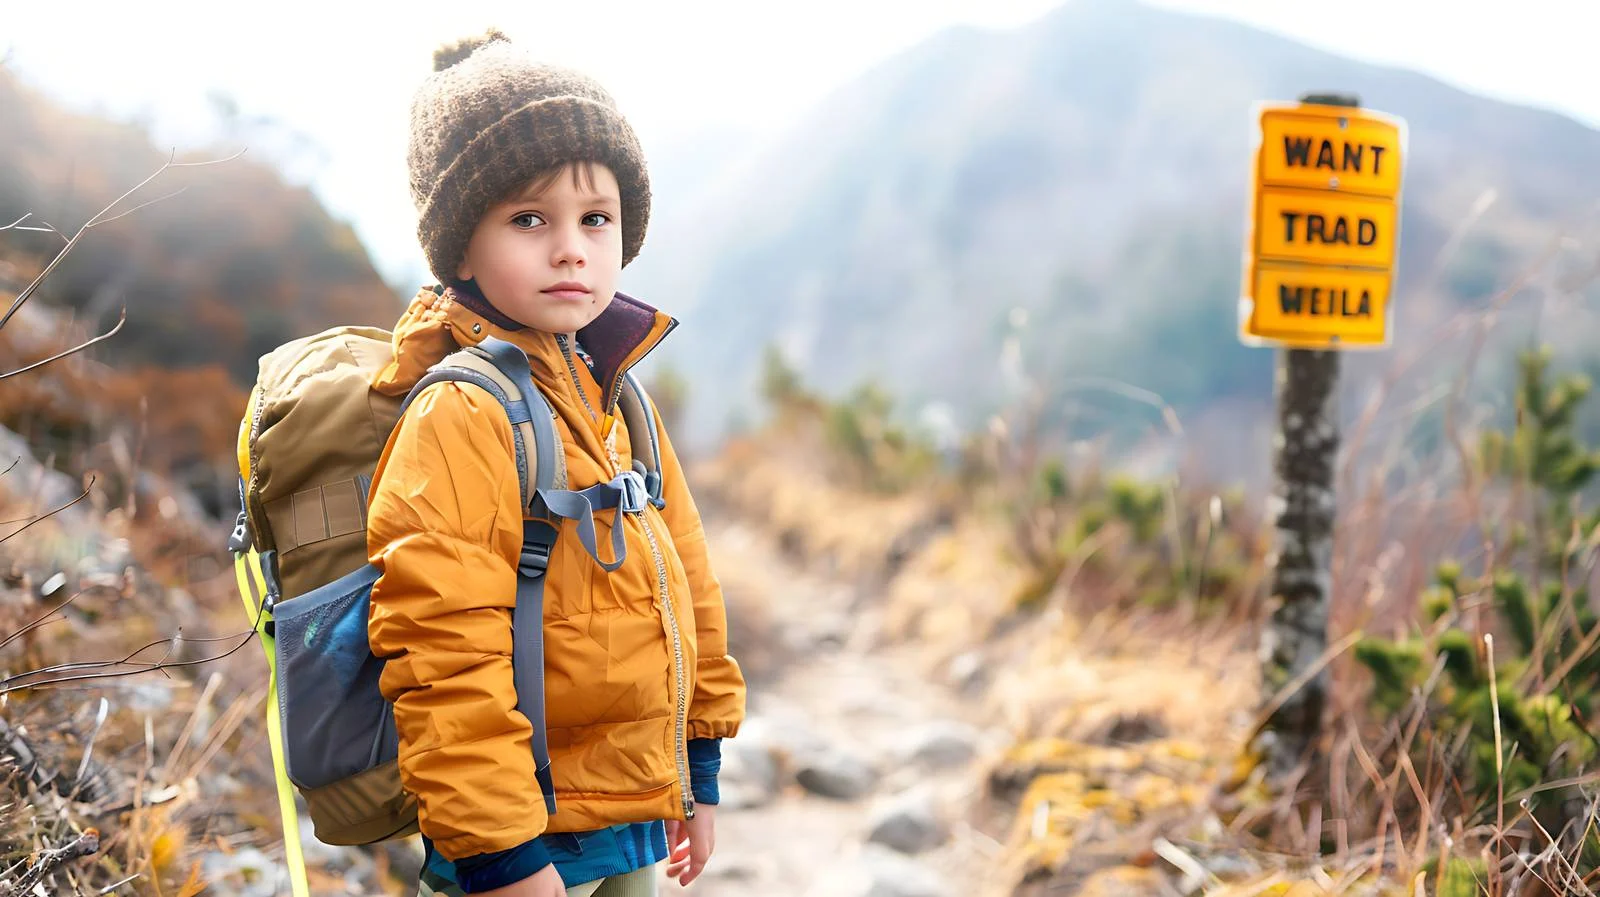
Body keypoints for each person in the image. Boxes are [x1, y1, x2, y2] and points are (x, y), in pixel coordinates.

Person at [362, 28, 747, 897]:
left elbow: (687, 583)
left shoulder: (620, 399)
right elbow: (440, 654)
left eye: (595, 219)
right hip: (523, 839)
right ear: (461, 247)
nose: (571, 247)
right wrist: (502, 857)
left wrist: (698, 767)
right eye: (529, 219)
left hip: (632, 813)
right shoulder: (462, 412)